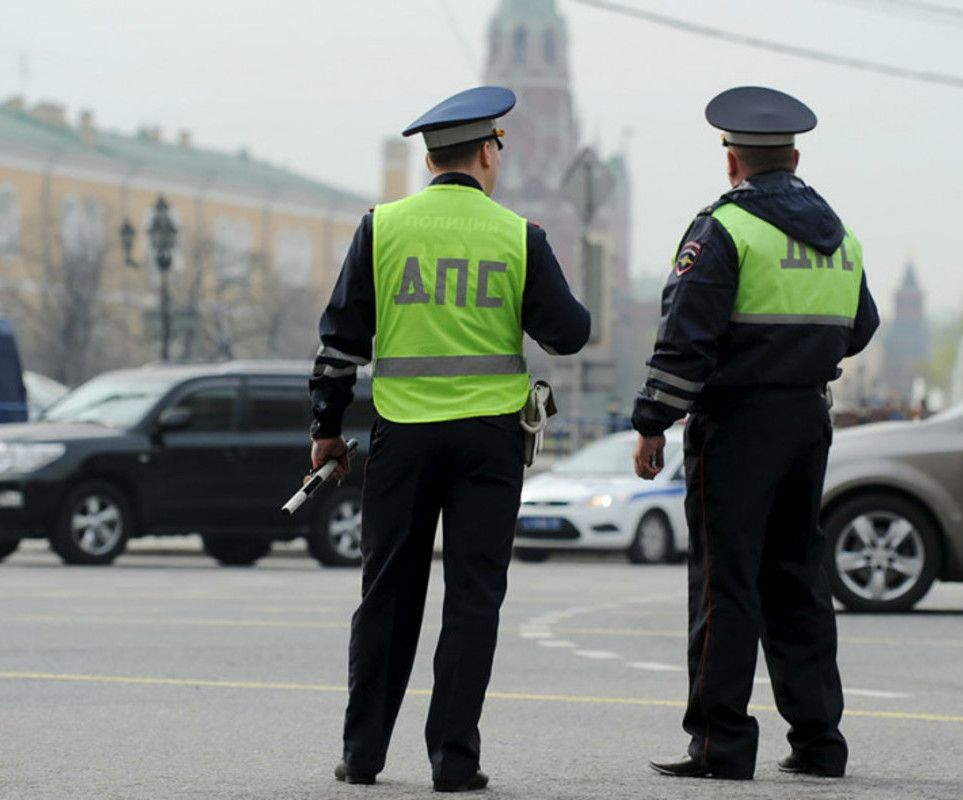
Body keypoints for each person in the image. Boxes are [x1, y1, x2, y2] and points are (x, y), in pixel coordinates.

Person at [308, 85, 590, 793]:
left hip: (402, 436)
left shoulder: (383, 226)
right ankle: (454, 761)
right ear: (488, 153)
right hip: (489, 445)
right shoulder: (518, 235)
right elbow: (570, 332)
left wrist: (326, 428)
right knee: (472, 598)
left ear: (431, 158)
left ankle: (364, 754)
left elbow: (341, 340)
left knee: (388, 595)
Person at [632, 86, 879, 781]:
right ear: (795, 158)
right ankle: (819, 743)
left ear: (733, 163)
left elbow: (686, 337)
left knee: (725, 581)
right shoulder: (842, 235)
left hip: (737, 423)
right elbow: (862, 327)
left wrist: (652, 420)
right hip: (809, 420)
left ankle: (721, 744)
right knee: (798, 577)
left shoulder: (725, 230)